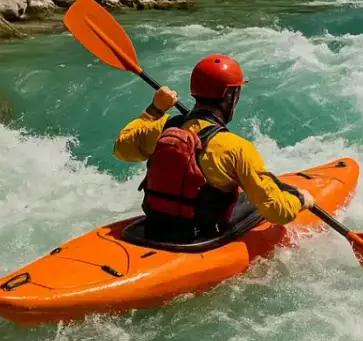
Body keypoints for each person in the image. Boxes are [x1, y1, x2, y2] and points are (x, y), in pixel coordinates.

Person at [113, 53, 314, 241]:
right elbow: (276, 212)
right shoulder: (235, 147)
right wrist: (301, 200)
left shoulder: (164, 127)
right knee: (254, 203)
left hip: (157, 226)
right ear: (230, 96)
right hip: (200, 236)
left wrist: (154, 109)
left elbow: (121, 147)